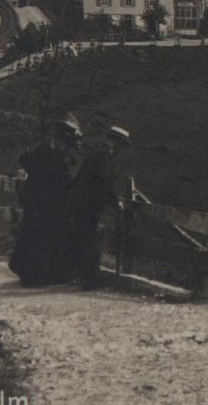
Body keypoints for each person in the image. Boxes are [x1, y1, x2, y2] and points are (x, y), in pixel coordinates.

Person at [8, 116, 81, 287]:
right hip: (47, 205)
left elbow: (24, 159)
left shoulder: (43, 155)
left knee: (33, 237)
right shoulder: (55, 159)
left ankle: (30, 274)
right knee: (43, 239)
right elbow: (64, 183)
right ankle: (40, 276)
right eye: (64, 143)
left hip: (35, 204)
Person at [69, 124, 127, 289]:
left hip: (81, 205)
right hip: (89, 207)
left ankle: (83, 278)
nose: (120, 148)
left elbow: (78, 179)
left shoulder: (95, 156)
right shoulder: (104, 158)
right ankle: (89, 281)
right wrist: (117, 202)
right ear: (112, 142)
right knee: (91, 243)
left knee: (85, 241)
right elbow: (106, 183)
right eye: (119, 143)